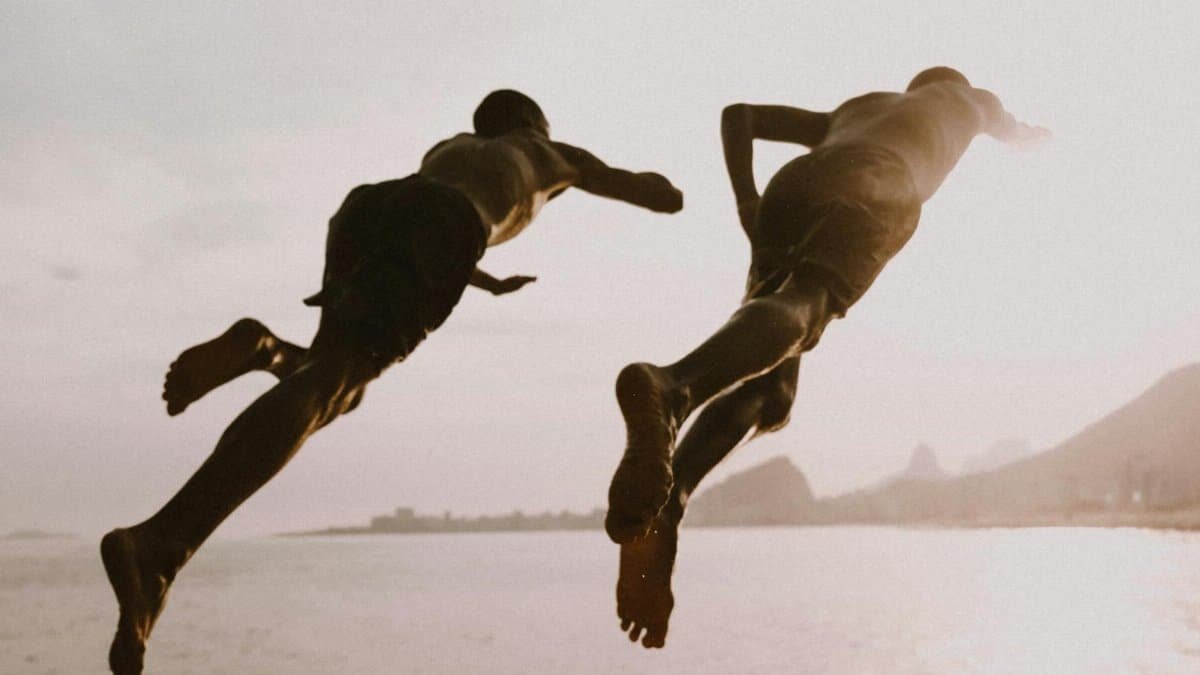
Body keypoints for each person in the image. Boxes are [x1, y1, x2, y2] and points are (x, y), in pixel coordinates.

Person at [100, 89, 683, 674]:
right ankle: (161, 548)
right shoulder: (551, 152)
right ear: (533, 122)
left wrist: (485, 282)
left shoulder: (453, 148)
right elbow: (659, 199)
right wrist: (652, 185)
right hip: (447, 226)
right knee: (334, 385)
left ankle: (267, 349)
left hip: (369, 209)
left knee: (331, 384)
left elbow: (425, 209)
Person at [605, 67, 1048, 648]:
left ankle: (672, 497)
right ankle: (673, 388)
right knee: (805, 308)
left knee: (771, 392)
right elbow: (1011, 127)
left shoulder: (854, 109)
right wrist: (1034, 135)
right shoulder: (966, 97)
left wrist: (749, 200)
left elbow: (739, 114)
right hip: (882, 181)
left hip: (794, 184)